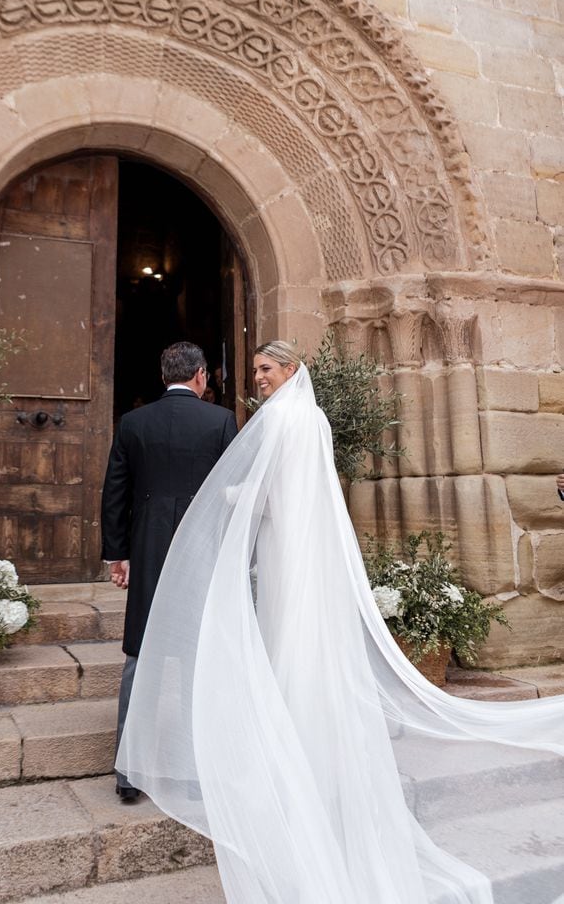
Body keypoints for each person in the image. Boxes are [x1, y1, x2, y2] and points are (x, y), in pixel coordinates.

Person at [117, 341, 564, 900]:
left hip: (285, 552)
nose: (257, 378)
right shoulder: (315, 418)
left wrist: (225, 495)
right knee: (301, 643)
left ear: (292, 370)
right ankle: (305, 744)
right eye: (254, 370)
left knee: (287, 638)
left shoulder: (280, 419)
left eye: (266, 369)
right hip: (301, 551)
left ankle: (288, 755)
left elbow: (264, 495)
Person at [101, 341, 237, 800]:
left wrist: (118, 554)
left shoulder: (134, 423)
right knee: (198, 654)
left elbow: (115, 492)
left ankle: (128, 772)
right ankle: (195, 766)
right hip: (204, 550)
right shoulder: (219, 421)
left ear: (165, 377)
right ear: (200, 374)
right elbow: (230, 491)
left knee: (141, 655)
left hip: (149, 544)